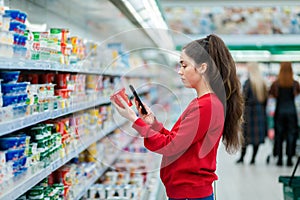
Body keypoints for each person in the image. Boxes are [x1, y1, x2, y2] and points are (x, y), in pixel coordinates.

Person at [110, 34, 244, 200]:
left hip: (189, 194)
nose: (180, 71)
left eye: (184, 65)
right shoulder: (204, 103)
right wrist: (152, 123)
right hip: (189, 192)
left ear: (202, 67)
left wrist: (134, 119)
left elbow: (170, 146)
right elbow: (179, 140)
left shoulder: (207, 106)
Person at [236, 62, 268, 165]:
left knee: (245, 136)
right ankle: (253, 159)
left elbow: (243, 98)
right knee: (257, 138)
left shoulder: (248, 83)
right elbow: (265, 100)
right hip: (259, 113)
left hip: (249, 113)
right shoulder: (262, 83)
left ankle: (242, 157)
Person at [269, 61, 300, 166]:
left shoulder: (275, 84)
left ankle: (280, 159)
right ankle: (290, 159)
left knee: (279, 135)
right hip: (291, 112)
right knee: (292, 135)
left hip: (280, 112)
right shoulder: (295, 84)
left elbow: (271, 97)